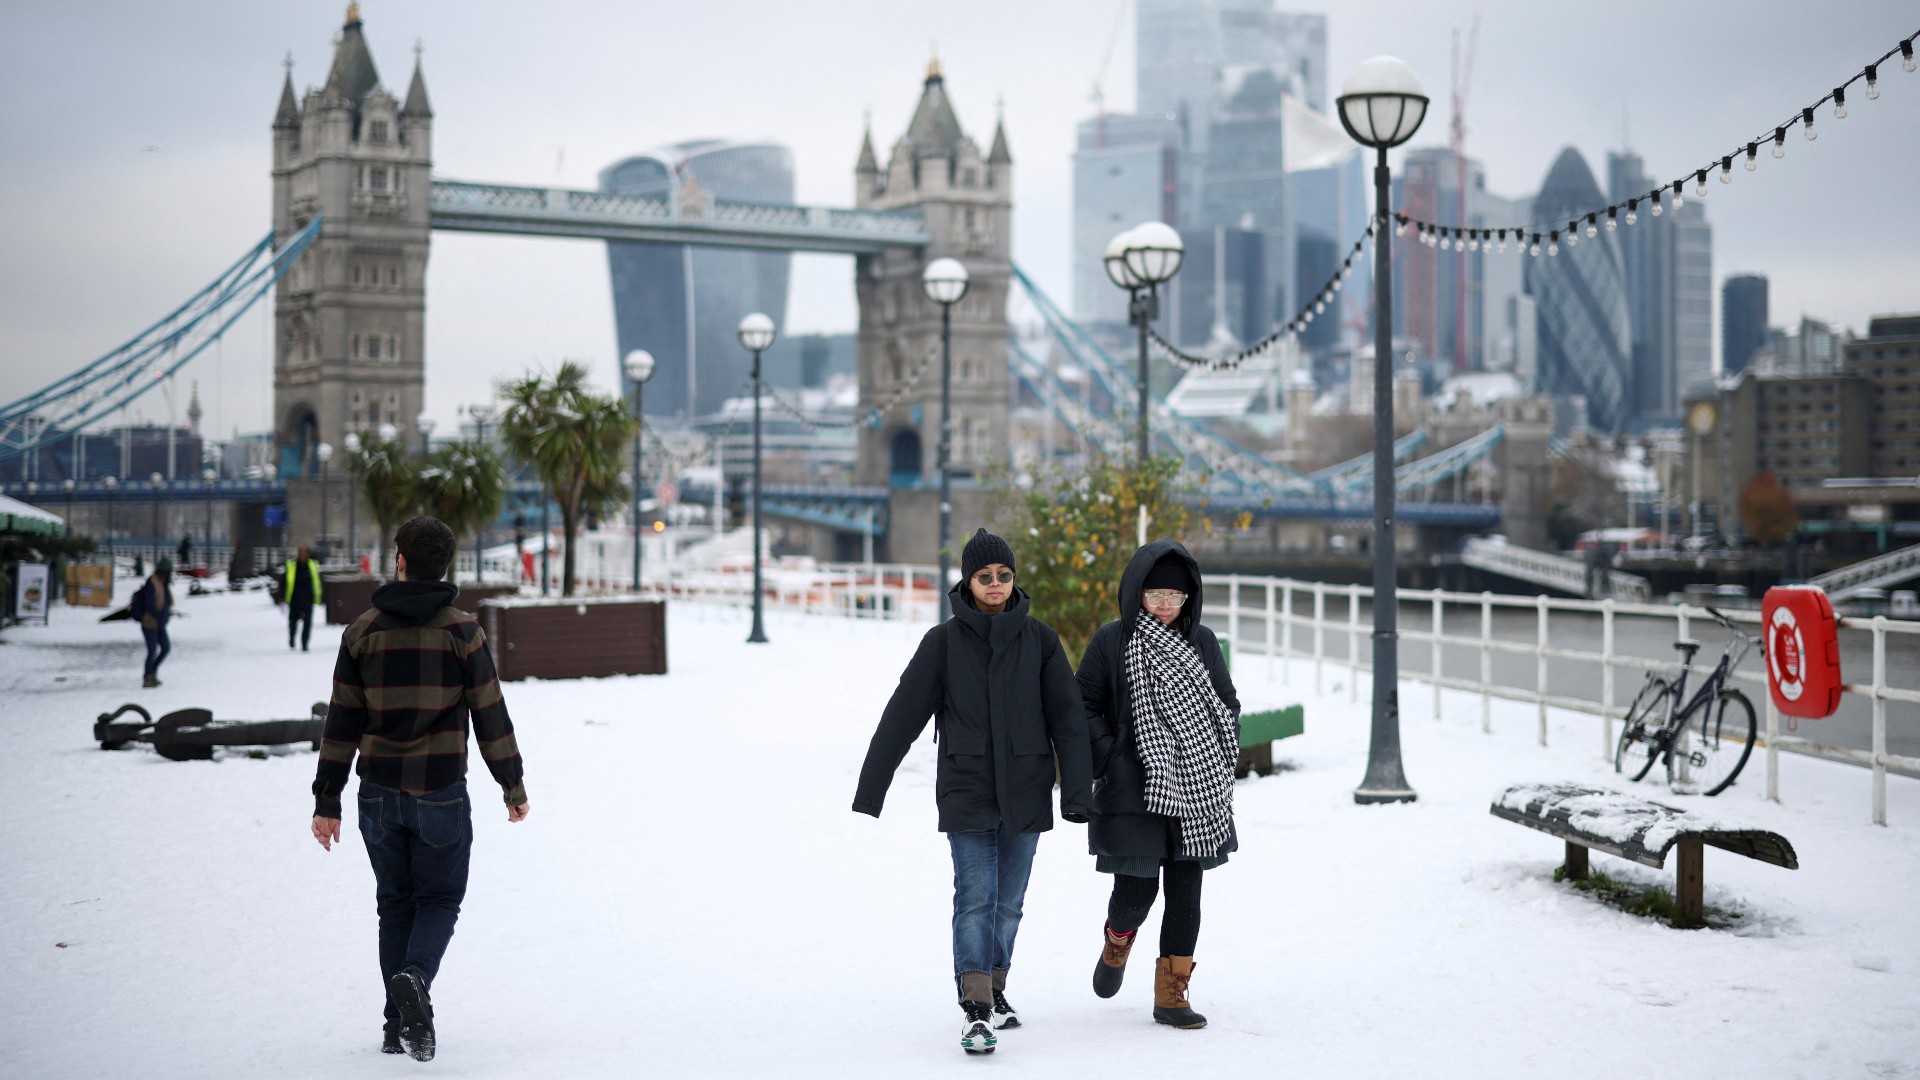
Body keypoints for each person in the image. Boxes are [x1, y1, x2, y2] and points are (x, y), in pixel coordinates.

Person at [854, 528, 1092, 1056]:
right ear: (968, 581)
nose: (996, 583)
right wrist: (872, 789)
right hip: (966, 788)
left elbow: (1069, 720)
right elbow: (902, 716)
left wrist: (1077, 792)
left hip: (1027, 788)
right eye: (985, 576)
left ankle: (996, 986)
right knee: (976, 898)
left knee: (1009, 904)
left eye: (1004, 575)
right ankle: (977, 1008)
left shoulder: (1041, 641)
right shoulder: (941, 643)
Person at [309, 516, 530, 1062]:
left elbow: (341, 722)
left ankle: (395, 1025)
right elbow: (490, 714)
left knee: (395, 905)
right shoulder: (463, 633)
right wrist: (512, 784)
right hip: (440, 793)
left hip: (378, 794)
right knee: (439, 899)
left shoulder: (361, 633)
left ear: (401, 561)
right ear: (446, 566)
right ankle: (416, 977)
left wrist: (327, 799)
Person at [1077, 539, 1239, 1030]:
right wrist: (1113, 754)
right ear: (1136, 593)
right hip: (1133, 789)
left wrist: (1210, 751)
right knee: (1136, 893)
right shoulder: (1112, 641)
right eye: (1156, 595)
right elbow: (1083, 706)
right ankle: (1117, 940)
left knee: (1186, 895)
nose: (1166, 605)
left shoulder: (1201, 642)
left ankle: (1172, 995)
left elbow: (1226, 703)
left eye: (1175, 596)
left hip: (1197, 789)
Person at [128, 556, 174, 688]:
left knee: (165, 648)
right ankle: (148, 677)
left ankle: (152, 672)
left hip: (160, 624)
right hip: (150, 623)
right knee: (152, 651)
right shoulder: (152, 583)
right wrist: (159, 614)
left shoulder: (163, 583)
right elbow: (150, 605)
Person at [283, 545, 323, 650]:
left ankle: (304, 643)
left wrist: (319, 597)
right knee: (293, 622)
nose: (302, 555)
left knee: (307, 623)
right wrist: (282, 595)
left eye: (304, 553)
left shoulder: (313, 565)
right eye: (301, 553)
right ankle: (292, 638)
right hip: (294, 599)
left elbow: (318, 581)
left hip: (308, 599)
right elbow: (284, 581)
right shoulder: (291, 565)